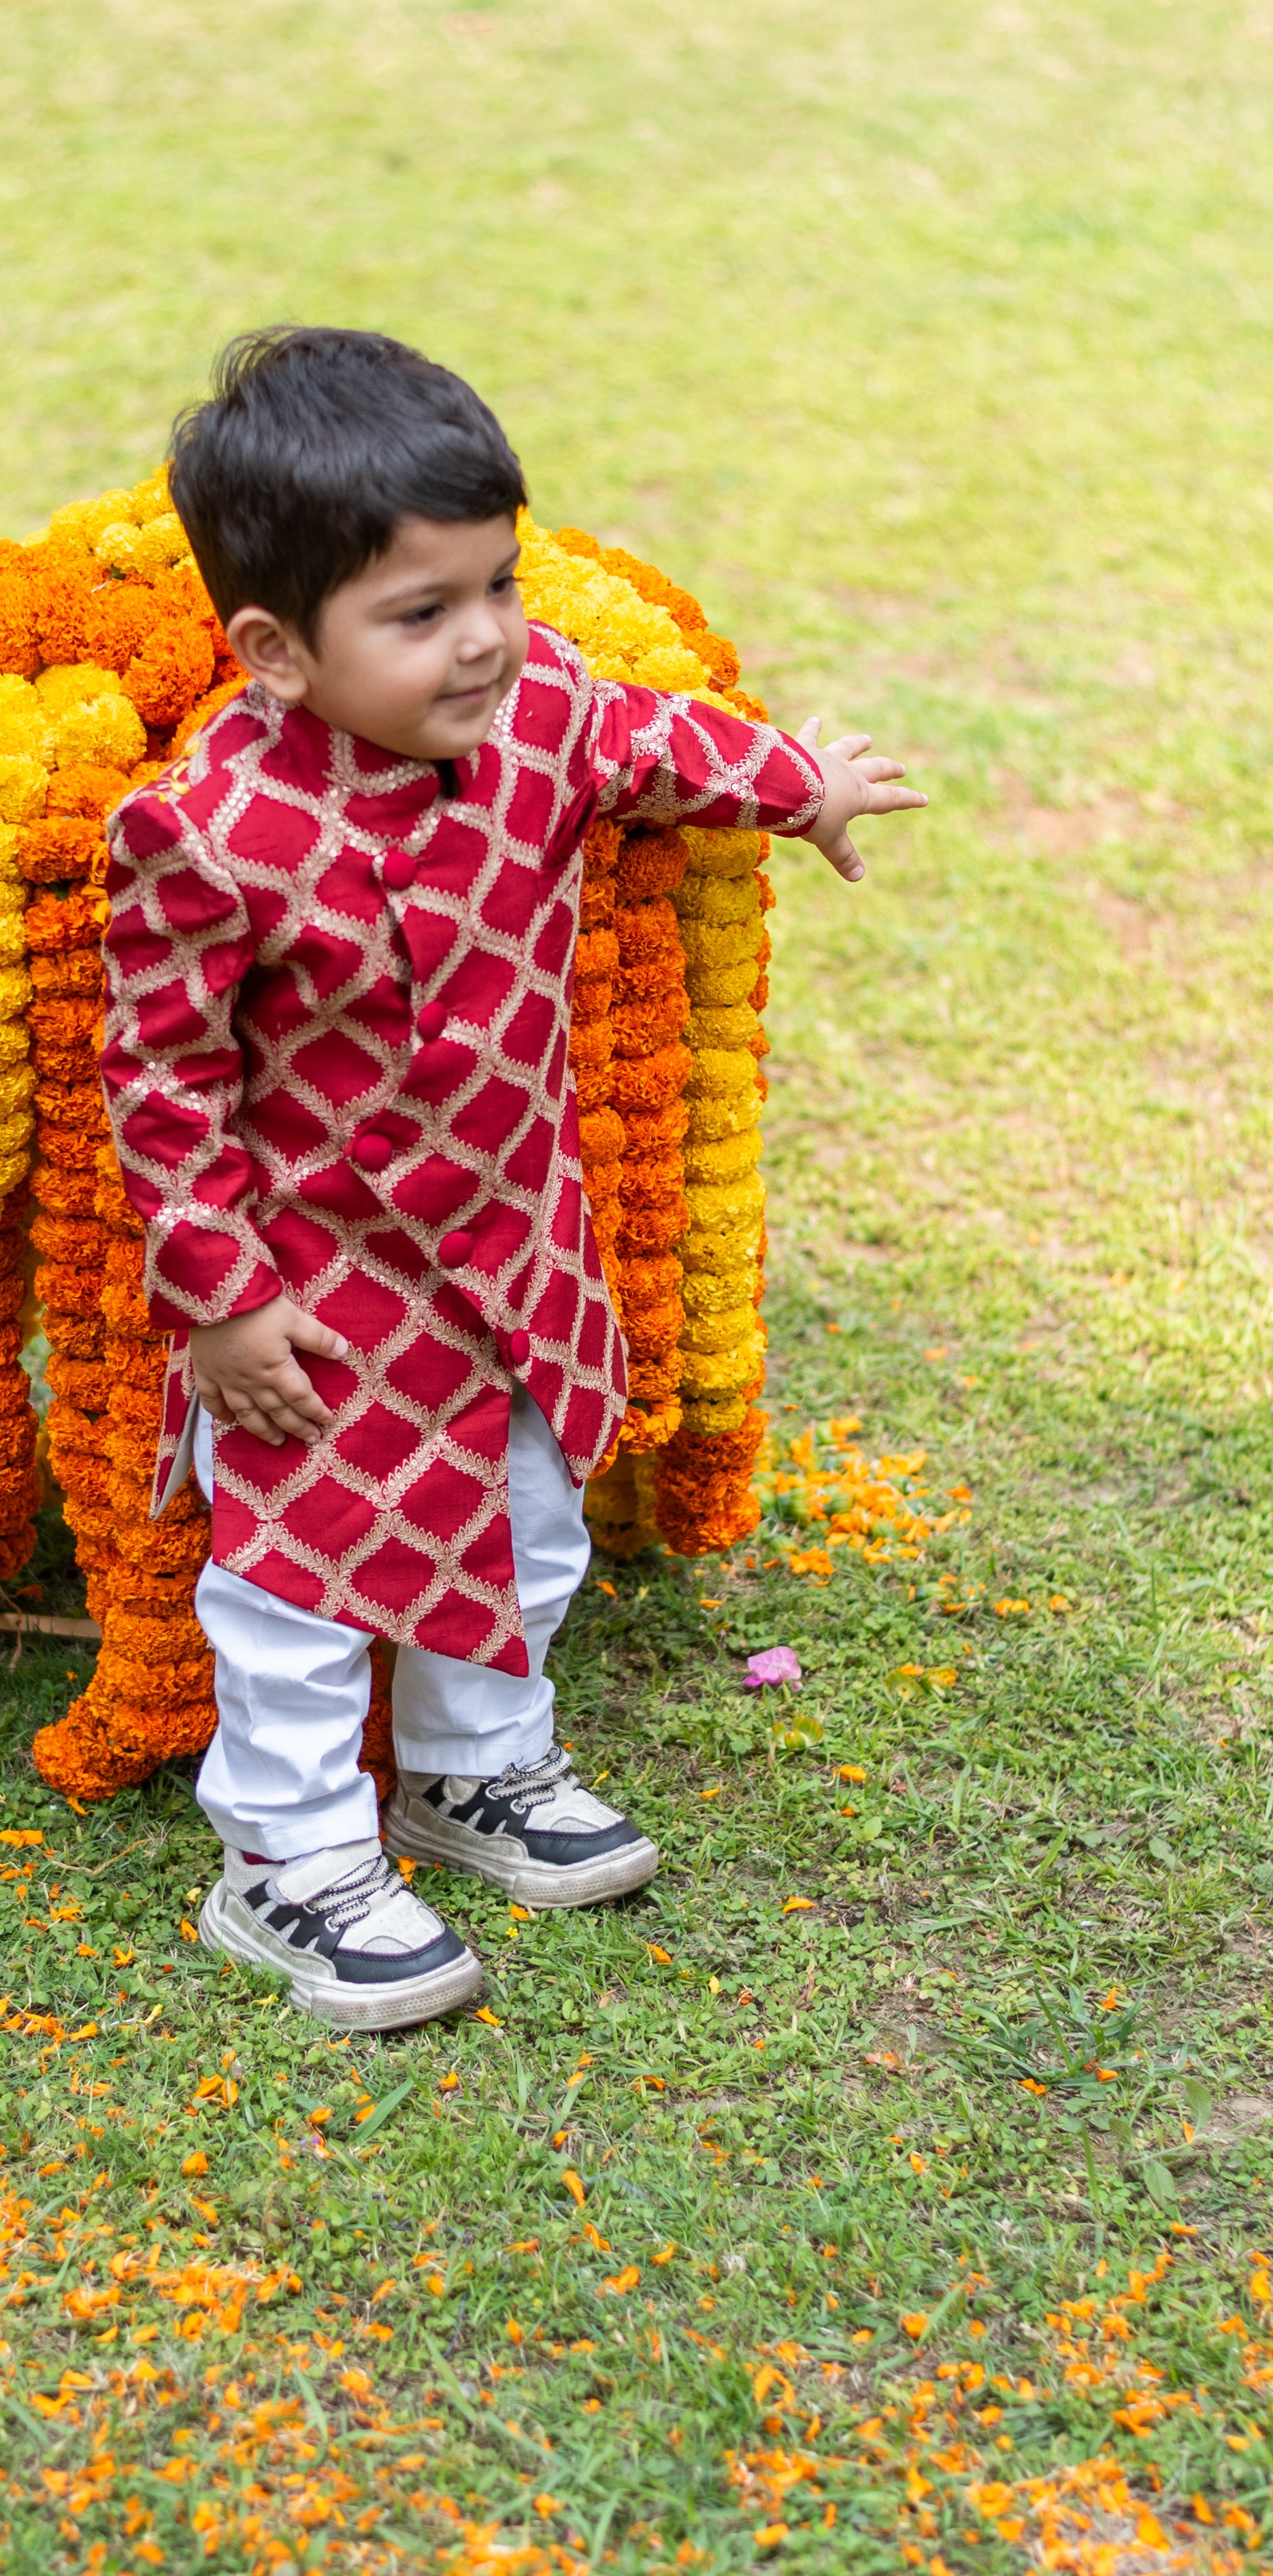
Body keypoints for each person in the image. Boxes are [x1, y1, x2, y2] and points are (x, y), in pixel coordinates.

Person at [99, 327, 924, 2028]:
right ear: (272, 648)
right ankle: (290, 1858)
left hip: (517, 1244)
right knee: (301, 1582)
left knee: (529, 1519)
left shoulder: (534, 705)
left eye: (497, 582)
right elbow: (161, 1084)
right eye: (417, 612)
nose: (479, 637)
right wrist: (226, 1302)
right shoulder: (211, 832)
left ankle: (475, 1766)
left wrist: (801, 786)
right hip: (316, 1284)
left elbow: (648, 742)